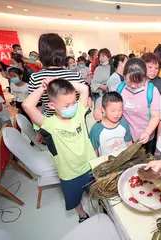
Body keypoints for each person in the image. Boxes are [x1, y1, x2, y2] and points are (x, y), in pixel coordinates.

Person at [22, 78, 95, 223]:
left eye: (74, 102)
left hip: (89, 166)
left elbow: (84, 89)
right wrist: (44, 87)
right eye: (67, 105)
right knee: (74, 198)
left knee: (94, 190)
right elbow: (27, 105)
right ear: (51, 105)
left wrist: (58, 81)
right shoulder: (49, 124)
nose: (72, 107)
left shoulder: (79, 112)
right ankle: (81, 214)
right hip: (69, 173)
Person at [94, 58, 161, 154]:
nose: (133, 86)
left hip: (144, 138)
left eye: (138, 82)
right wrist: (98, 110)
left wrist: (147, 133)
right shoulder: (119, 88)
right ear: (124, 76)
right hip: (123, 137)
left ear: (144, 77)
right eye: (129, 82)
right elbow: (107, 102)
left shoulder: (152, 91)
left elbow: (155, 117)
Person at [28, 33, 84, 117]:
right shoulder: (76, 75)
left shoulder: (36, 77)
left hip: (49, 123)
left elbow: (35, 106)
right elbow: (83, 102)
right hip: (75, 121)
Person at [90, 92, 132, 156]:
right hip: (107, 163)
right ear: (103, 109)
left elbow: (129, 143)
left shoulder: (124, 124)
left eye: (120, 110)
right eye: (113, 110)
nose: (117, 114)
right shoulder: (96, 129)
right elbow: (94, 151)